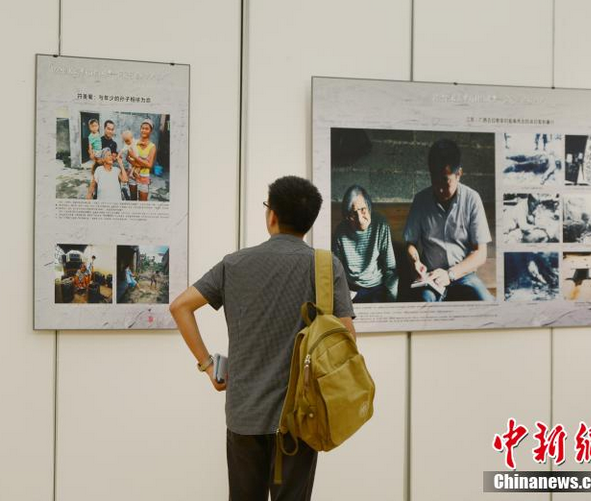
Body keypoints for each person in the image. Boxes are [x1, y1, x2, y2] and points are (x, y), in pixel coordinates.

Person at [169, 176, 355, 500]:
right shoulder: (326, 266)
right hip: (300, 417)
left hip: (244, 415)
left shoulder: (235, 263)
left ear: (271, 215)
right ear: (308, 222)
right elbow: (347, 339)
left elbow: (180, 307)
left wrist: (207, 365)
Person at [404, 138, 493, 302]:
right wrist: (415, 262)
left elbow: (481, 254)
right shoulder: (420, 200)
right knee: (423, 305)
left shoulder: (472, 199)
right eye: (434, 180)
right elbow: (411, 244)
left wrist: (451, 274)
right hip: (431, 276)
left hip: (463, 275)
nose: (439, 189)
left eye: (445, 181)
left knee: (486, 303)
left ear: (459, 174)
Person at [332, 184, 398, 302]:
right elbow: (336, 269)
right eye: (353, 214)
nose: (360, 219)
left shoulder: (380, 224)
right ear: (347, 216)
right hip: (351, 288)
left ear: (369, 207)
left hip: (376, 287)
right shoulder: (340, 231)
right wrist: (343, 293)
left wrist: (392, 300)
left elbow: (390, 267)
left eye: (363, 210)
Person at [127, 120, 156, 201]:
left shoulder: (152, 146)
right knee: (133, 199)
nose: (144, 130)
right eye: (142, 128)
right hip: (132, 175)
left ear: (151, 131)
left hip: (144, 177)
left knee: (143, 202)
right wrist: (139, 164)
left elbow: (149, 165)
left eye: (146, 129)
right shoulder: (134, 142)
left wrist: (135, 157)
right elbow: (127, 158)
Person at [118, 129, 136, 200]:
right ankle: (130, 175)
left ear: (132, 138)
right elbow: (122, 150)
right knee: (130, 167)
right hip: (132, 160)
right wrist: (118, 155)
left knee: (135, 166)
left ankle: (131, 174)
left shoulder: (135, 142)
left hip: (136, 157)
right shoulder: (127, 144)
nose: (127, 142)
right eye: (125, 141)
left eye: (128, 140)